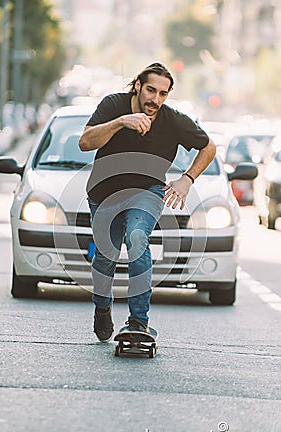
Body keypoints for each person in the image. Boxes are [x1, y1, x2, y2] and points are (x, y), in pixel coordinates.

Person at [79, 62, 216, 342]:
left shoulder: (173, 120)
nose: (155, 99)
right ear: (138, 86)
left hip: (147, 191)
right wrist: (120, 123)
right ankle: (102, 308)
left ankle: (138, 322)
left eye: (163, 94)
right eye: (151, 90)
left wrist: (187, 179)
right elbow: (85, 142)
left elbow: (209, 146)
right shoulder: (113, 105)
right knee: (105, 259)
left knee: (138, 237)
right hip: (103, 193)